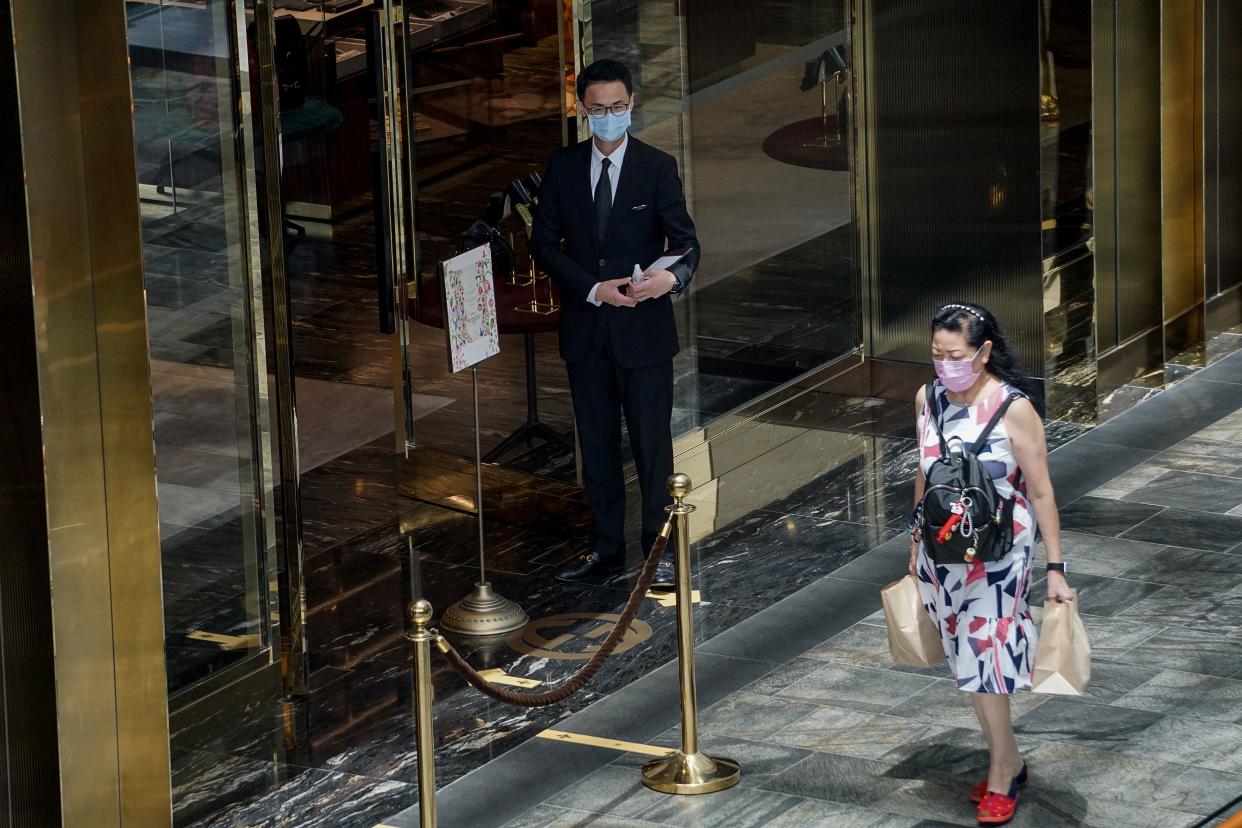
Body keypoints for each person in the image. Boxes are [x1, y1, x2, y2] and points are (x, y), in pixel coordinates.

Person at [531, 59, 700, 586]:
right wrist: (592, 288)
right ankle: (605, 548)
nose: (608, 116)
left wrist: (669, 281)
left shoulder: (656, 166)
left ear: (632, 104)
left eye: (618, 107)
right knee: (597, 444)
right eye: (598, 109)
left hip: (643, 333)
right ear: (581, 109)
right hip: (586, 330)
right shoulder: (562, 168)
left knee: (652, 445)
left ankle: (658, 549)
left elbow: (686, 243)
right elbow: (543, 244)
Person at [907, 303, 1074, 826]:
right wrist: (914, 545)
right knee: (966, 662)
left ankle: (1003, 770)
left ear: (982, 352)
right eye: (936, 354)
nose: (943, 364)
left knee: (985, 658)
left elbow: (1042, 492)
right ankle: (1011, 758)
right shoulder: (928, 397)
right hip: (944, 546)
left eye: (954, 354)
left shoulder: (1013, 407)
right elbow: (925, 474)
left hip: (1001, 552)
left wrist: (1056, 568)